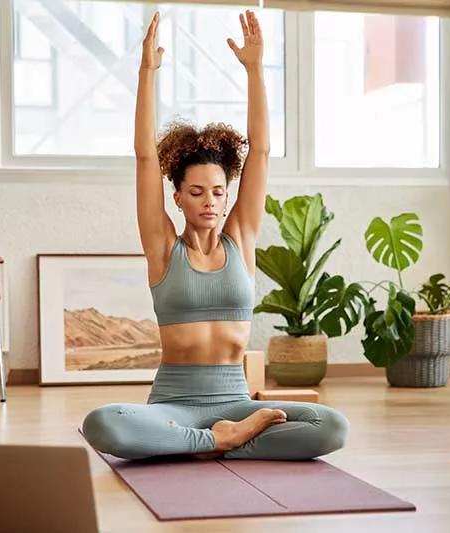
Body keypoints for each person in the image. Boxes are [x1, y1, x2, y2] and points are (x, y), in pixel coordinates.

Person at [82, 9, 350, 461]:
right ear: (179, 198)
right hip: (173, 406)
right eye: (197, 191)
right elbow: (145, 157)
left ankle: (210, 442)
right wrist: (147, 71)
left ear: (227, 198)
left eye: (218, 192)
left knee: (331, 426)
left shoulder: (241, 238)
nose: (209, 200)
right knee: (102, 423)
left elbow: (260, 151)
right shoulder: (164, 248)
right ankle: (225, 441)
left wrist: (254, 69)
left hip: (236, 400)